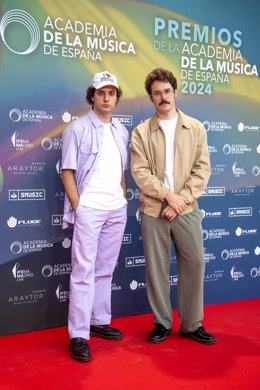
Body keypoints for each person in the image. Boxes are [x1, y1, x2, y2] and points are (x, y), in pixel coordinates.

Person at [130, 68, 216, 345]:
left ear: (175, 93)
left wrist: (181, 201)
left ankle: (192, 324)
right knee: (156, 269)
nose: (163, 97)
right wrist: (169, 197)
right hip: (154, 211)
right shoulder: (141, 132)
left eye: (167, 91)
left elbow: (202, 170)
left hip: (187, 209)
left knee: (195, 262)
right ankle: (162, 323)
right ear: (151, 98)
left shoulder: (196, 127)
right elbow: (140, 172)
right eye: (157, 93)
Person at [61, 70, 129, 362]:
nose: (106, 98)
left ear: (116, 97)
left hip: (116, 208)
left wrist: (123, 198)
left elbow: (121, 171)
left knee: (105, 269)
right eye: (101, 92)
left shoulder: (121, 131)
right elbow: (68, 171)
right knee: (83, 271)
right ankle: (78, 334)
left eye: (111, 93)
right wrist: (79, 205)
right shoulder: (76, 129)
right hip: (89, 208)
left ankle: (98, 321)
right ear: (92, 96)